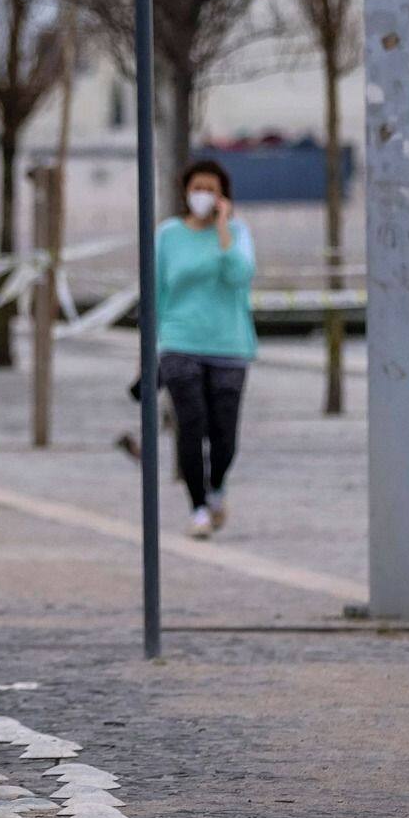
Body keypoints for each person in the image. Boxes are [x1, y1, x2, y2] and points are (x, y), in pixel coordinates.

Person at [155, 159, 257, 539]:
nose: (203, 195)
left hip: (229, 345)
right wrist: (153, 345)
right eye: (197, 187)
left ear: (223, 196)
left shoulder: (237, 233)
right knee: (190, 425)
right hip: (179, 342)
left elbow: (240, 276)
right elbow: (157, 289)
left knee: (224, 434)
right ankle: (197, 506)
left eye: (211, 189)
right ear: (186, 190)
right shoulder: (168, 235)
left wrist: (222, 229)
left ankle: (217, 488)